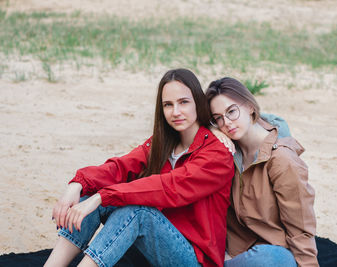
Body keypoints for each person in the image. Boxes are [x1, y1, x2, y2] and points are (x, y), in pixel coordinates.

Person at [44, 68, 235, 267]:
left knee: (136, 211)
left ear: (198, 102)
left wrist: (101, 196)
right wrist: (77, 184)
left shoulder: (217, 155)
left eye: (183, 102)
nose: (176, 112)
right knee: (90, 197)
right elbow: (120, 166)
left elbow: (168, 187)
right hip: (157, 245)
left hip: (195, 259)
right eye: (168, 105)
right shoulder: (163, 144)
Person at [205, 77, 318, 267]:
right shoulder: (227, 147)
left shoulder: (282, 160)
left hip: (268, 254)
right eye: (218, 118)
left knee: (276, 260)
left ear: (250, 106)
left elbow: (301, 229)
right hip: (229, 252)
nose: (227, 123)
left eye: (231, 111)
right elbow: (188, 126)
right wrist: (211, 130)